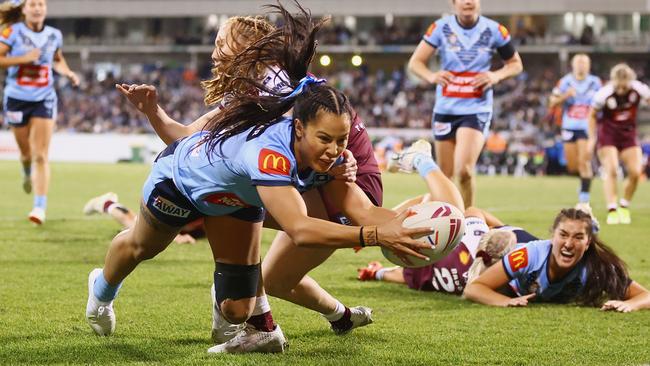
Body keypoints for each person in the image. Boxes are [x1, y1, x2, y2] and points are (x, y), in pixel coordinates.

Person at [85, 7, 432, 355]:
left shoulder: (282, 99)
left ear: (251, 49)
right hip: (184, 179)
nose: (214, 52)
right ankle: (102, 291)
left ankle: (251, 317)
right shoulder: (251, 104)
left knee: (242, 303)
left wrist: (338, 167)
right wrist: (153, 112)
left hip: (244, 190)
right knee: (142, 247)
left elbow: (319, 159)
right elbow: (190, 137)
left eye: (222, 43)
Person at [360, 140, 538, 294]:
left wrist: (378, 272)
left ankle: (420, 159)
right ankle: (419, 160)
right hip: (457, 242)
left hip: (447, 238)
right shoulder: (438, 269)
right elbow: (402, 275)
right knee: (453, 211)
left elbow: (403, 275)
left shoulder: (431, 269)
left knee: (453, 212)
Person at [408, 0, 523, 208]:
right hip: (445, 108)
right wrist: (432, 76)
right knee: (444, 176)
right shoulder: (440, 28)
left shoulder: (494, 29)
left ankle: (469, 222)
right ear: (454, 3)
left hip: (476, 108)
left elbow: (515, 64)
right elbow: (415, 62)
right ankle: (445, 225)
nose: (468, 1)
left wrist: (496, 76)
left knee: (464, 171)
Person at [463, 208, 650, 312]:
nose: (569, 244)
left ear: (588, 243)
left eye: (578, 237)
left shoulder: (595, 267)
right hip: (505, 247)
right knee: (472, 214)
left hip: (523, 239)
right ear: (553, 236)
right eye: (563, 235)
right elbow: (474, 288)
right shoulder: (527, 257)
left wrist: (629, 304)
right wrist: (504, 301)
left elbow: (646, 295)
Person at [0, 0, 79, 224]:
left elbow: (57, 59)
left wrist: (68, 72)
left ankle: (39, 207)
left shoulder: (54, 34)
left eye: (41, 4)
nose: (37, 8)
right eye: (32, 4)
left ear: (45, 9)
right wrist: (23, 59)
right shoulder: (12, 32)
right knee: (26, 154)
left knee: (41, 155)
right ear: (24, 9)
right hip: (16, 99)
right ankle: (26, 171)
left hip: (43, 98)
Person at [588, 63, 650, 225]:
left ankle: (624, 205)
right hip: (608, 135)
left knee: (636, 172)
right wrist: (592, 138)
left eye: (625, 86)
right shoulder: (604, 93)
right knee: (612, 169)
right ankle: (612, 210)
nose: (622, 90)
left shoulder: (639, 89)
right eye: (619, 87)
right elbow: (592, 115)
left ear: (630, 81)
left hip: (628, 134)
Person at [549, 54, 601, 208]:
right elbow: (552, 102)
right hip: (569, 126)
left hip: (586, 127)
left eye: (584, 63)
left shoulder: (595, 82)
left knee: (584, 162)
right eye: (578, 63)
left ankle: (584, 201)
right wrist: (566, 95)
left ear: (589, 65)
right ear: (572, 65)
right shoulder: (565, 82)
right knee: (572, 166)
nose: (581, 65)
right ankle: (584, 183)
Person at [83, 192, 202, 244]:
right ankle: (107, 204)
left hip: (188, 220)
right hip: (169, 214)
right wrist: (177, 237)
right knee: (140, 228)